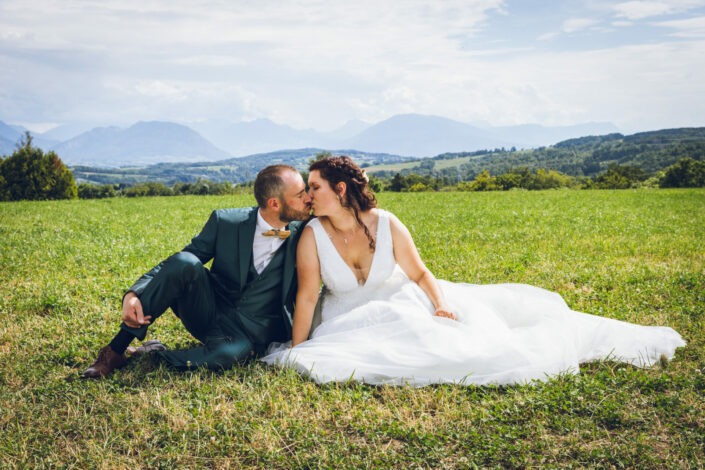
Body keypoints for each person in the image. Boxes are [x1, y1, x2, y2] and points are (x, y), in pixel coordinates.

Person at [261, 156, 686, 386]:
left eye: (313, 187)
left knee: (447, 335)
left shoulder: (387, 223)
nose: (308, 195)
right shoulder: (312, 234)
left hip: (397, 298)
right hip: (345, 316)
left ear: (339, 189)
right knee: (381, 348)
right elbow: (308, 295)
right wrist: (299, 346)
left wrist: (442, 304)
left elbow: (421, 274)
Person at [83, 164, 311, 378]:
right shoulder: (226, 222)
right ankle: (115, 350)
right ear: (274, 203)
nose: (308, 198)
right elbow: (177, 264)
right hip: (210, 312)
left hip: (251, 332)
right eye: (300, 195)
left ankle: (153, 355)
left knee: (232, 354)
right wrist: (132, 293)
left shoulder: (306, 230)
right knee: (186, 262)